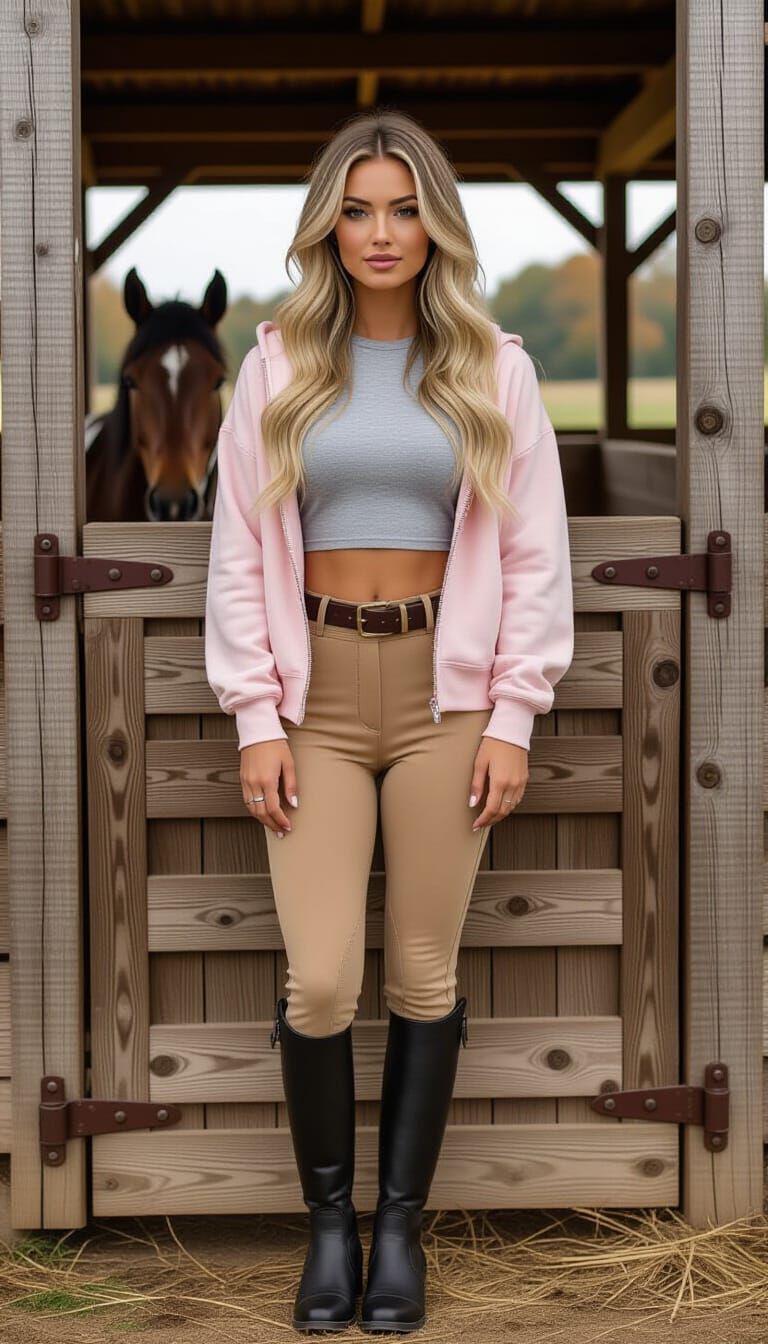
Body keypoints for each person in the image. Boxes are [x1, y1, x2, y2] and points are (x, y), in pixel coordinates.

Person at [204, 108, 574, 1335]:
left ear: (436, 225)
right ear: (328, 225)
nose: (380, 232)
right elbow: (237, 551)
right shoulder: (273, 368)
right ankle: (328, 1229)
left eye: (404, 208)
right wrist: (256, 712)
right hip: (313, 697)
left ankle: (398, 1236)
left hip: (446, 700)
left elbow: (534, 556)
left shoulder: (494, 366)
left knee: (421, 973)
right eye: (357, 209)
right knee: (319, 981)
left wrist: (515, 712)